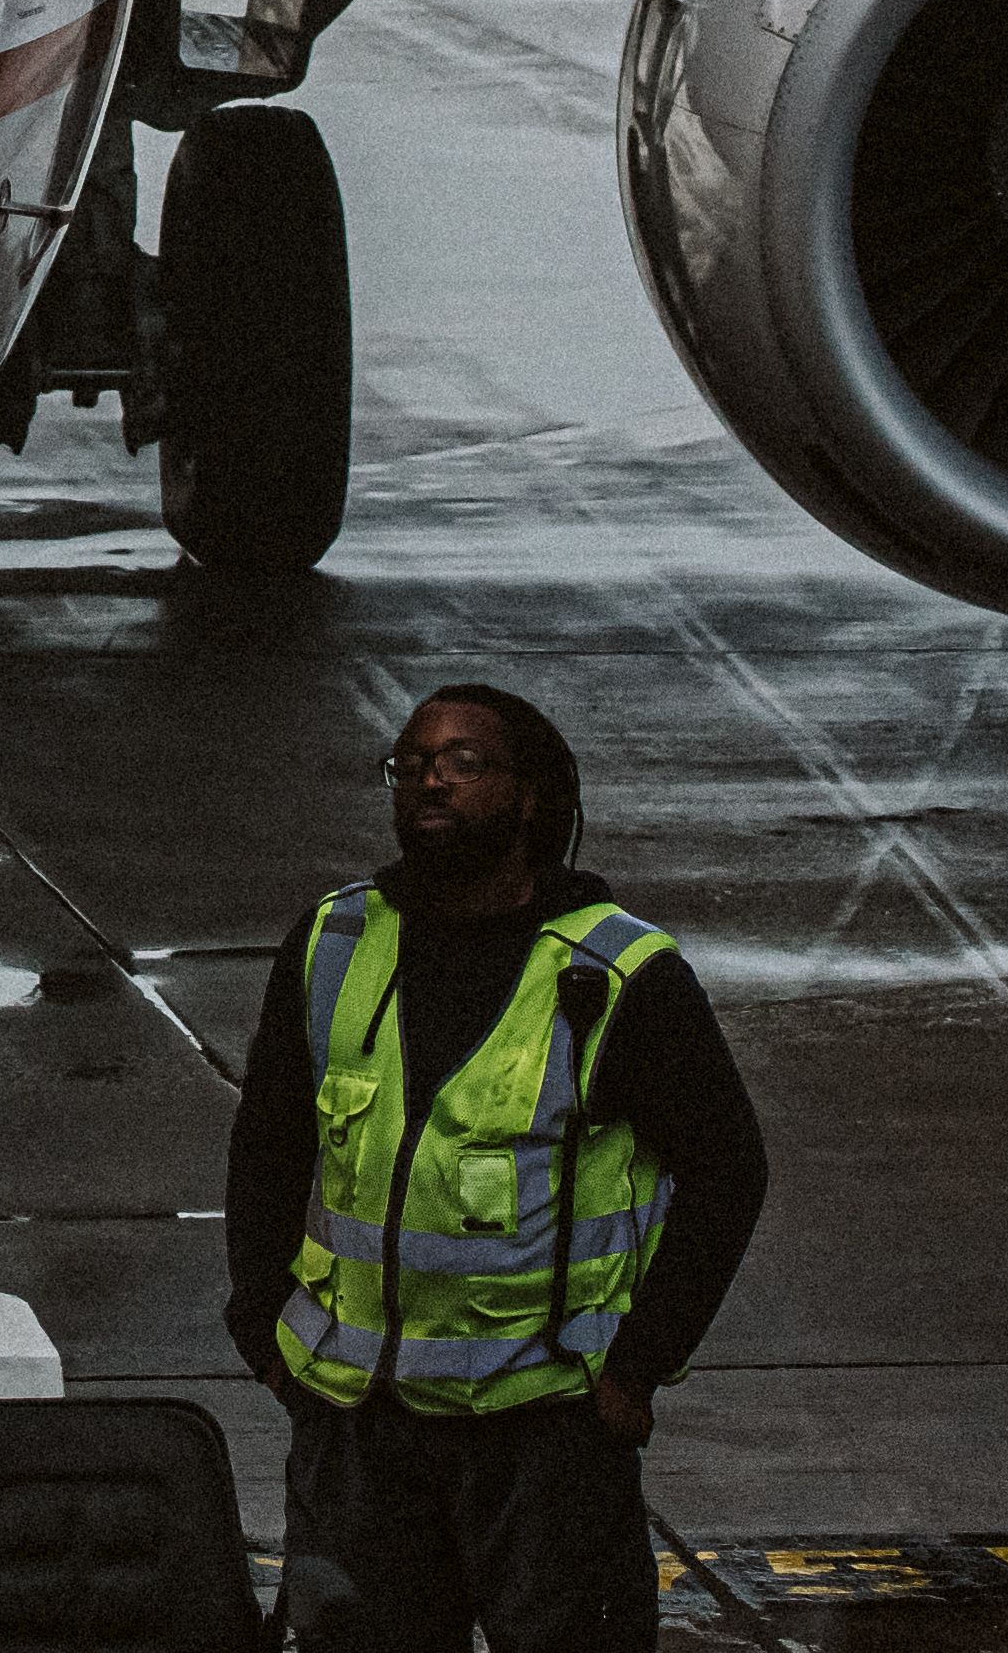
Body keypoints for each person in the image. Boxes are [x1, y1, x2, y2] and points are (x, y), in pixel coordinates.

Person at [225, 682, 765, 1653]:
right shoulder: (335, 941)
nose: (431, 778)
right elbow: (269, 1140)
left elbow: (730, 1170)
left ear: (530, 796)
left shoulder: (615, 974)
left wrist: (633, 1370)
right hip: (359, 1425)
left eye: (464, 761)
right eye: (413, 761)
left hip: (544, 1427)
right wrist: (258, 1318)